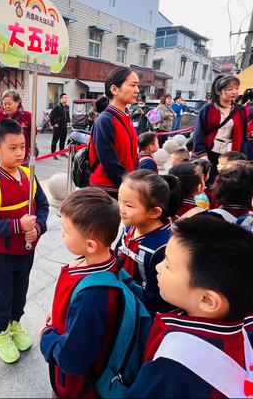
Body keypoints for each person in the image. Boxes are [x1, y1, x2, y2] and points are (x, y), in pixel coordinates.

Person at [126, 216, 253, 399]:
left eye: (168, 265)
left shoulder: (174, 366)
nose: (158, 268)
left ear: (208, 300)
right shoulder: (243, 332)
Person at [0, 119, 49, 364]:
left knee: (20, 294)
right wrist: (18, 226)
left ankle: (15, 324)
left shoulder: (29, 175)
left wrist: (37, 227)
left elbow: (44, 206)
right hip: (0, 256)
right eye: (13, 148)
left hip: (25, 252)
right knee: (1, 296)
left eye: (23, 146)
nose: (20, 153)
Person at [39, 187, 123, 398]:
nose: (62, 233)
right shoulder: (103, 261)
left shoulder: (93, 295)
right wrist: (57, 312)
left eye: (66, 231)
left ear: (91, 245)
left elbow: (72, 359)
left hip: (77, 388)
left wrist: (46, 338)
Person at [117, 169, 182, 313]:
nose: (121, 208)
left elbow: (157, 297)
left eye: (129, 205)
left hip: (142, 310)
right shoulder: (130, 227)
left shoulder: (164, 246)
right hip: (124, 296)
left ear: (154, 212)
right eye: (119, 199)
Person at [89, 67, 139, 199]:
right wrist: (131, 184)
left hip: (126, 186)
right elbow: (109, 161)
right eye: (133, 85)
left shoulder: (126, 116)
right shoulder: (105, 120)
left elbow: (132, 155)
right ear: (114, 89)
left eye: (137, 85)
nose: (137, 90)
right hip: (108, 191)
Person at [193, 74, 248, 184]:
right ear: (219, 92)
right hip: (209, 153)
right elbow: (198, 133)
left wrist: (243, 157)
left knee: (227, 184)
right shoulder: (208, 108)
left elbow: (243, 136)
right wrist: (202, 154)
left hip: (231, 154)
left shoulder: (240, 111)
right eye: (229, 89)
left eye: (237, 88)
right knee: (207, 182)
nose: (235, 92)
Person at [0, 89, 32, 160]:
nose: (7, 106)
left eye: (9, 104)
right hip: (3, 157)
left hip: (20, 157)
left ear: (17, 103)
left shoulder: (27, 116)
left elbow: (33, 134)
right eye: (5, 104)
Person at [49, 93, 70, 160]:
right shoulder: (57, 106)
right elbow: (51, 115)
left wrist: (68, 121)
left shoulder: (67, 107)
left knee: (62, 141)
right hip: (58, 127)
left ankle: (62, 153)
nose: (66, 99)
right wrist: (54, 123)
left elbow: (67, 115)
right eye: (64, 97)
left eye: (66, 98)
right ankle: (53, 154)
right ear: (61, 98)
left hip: (64, 127)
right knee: (55, 141)